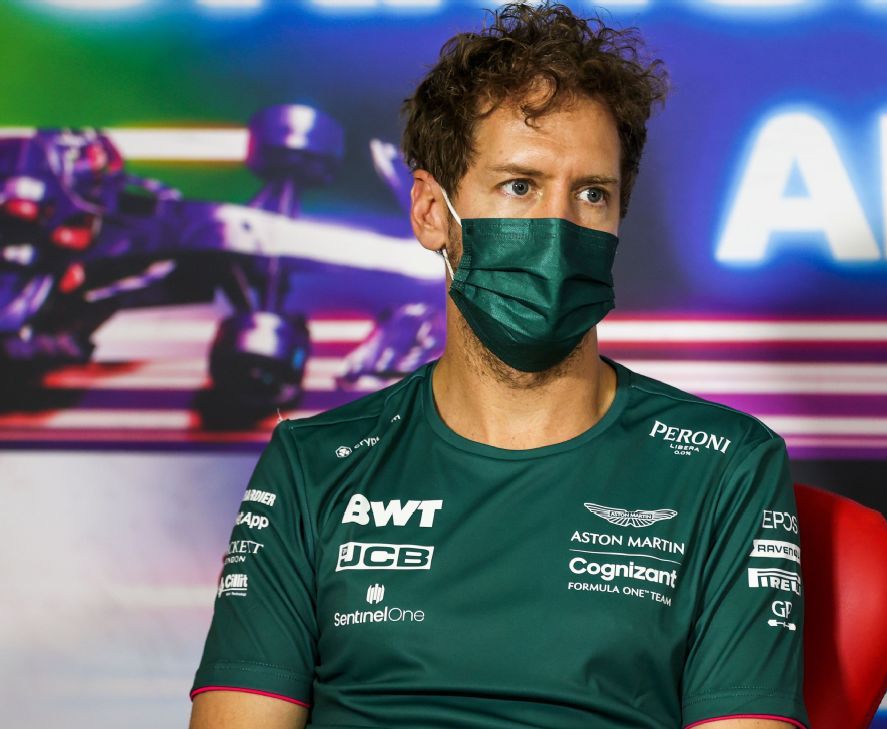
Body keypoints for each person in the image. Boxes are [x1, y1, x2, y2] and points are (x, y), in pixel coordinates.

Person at [188, 4, 807, 728]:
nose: (558, 227)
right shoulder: (311, 465)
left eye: (592, 193)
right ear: (431, 211)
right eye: (520, 185)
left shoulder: (726, 467)